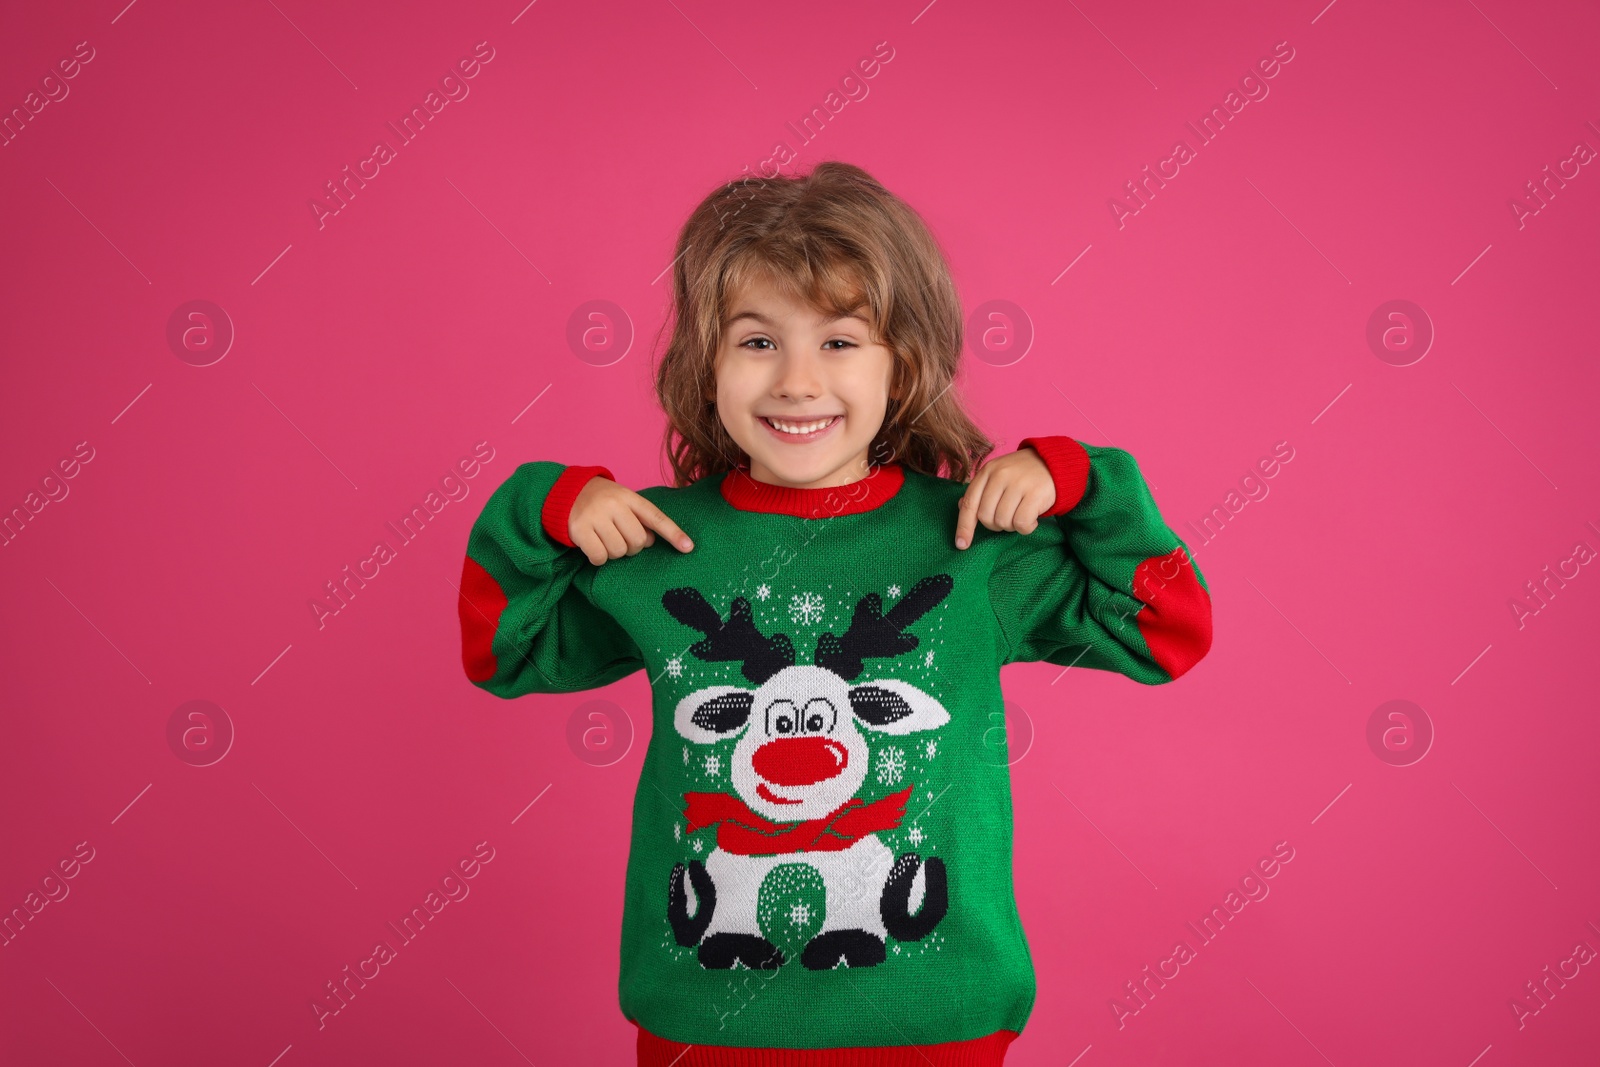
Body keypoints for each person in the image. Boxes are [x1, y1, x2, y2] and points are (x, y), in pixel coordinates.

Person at [456, 160, 1213, 1066]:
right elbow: (507, 648)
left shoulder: (972, 543)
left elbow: (1168, 628)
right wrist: (546, 509)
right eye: (758, 341)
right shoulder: (654, 545)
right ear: (706, 360)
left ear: (906, 364)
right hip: (702, 1023)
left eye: (841, 342)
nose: (797, 381)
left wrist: (1086, 484)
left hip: (938, 1021)